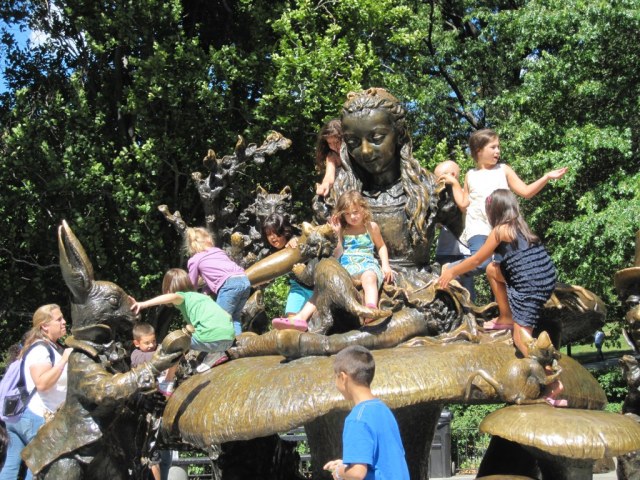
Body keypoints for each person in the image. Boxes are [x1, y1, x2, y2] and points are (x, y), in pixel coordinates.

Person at [439, 128, 567, 305]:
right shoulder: (471, 175)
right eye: (493, 147)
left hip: (503, 229)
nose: (497, 151)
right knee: (482, 263)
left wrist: (546, 177)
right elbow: (463, 203)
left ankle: (504, 311)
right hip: (478, 228)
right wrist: (454, 183)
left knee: (504, 270)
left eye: (498, 147)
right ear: (479, 151)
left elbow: (526, 192)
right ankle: (451, 268)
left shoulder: (503, 170)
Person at [437, 189, 557, 357]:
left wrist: (452, 271)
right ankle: (506, 317)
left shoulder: (500, 230)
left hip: (529, 285)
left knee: (520, 340)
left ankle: (546, 369)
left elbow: (477, 260)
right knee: (492, 269)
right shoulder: (521, 228)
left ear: (494, 212)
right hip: (546, 279)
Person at [0, 304, 71, 480]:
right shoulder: (40, 349)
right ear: (44, 326)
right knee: (39, 469)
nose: (64, 322)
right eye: (59, 319)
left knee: (11, 467)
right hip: (37, 416)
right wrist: (63, 361)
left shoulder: (51, 346)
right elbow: (42, 383)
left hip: (21, 416)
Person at [323, 345, 409, 480]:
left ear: (343, 377)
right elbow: (383, 462)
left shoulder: (357, 419)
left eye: (335, 377)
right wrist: (345, 465)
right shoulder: (383, 409)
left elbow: (357, 473)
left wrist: (339, 472)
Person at [131, 268, 235, 371]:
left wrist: (143, 304)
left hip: (214, 341)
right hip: (229, 340)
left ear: (168, 290)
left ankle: (168, 379)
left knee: (176, 344)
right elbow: (228, 316)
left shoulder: (182, 297)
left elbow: (172, 297)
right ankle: (216, 353)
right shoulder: (203, 297)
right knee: (194, 334)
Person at [331, 191, 393, 312]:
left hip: (367, 264)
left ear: (363, 209)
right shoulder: (342, 230)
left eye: (355, 212)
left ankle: (370, 308)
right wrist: (337, 234)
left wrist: (385, 265)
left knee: (370, 278)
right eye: (347, 214)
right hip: (346, 265)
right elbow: (337, 254)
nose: (352, 217)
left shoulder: (371, 227)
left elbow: (381, 246)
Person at [185, 227, 251, 336]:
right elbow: (215, 277)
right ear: (209, 239)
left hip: (229, 285)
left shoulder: (195, 259)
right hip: (244, 280)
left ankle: (219, 344)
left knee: (219, 320)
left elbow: (192, 284)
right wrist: (206, 292)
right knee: (234, 318)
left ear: (192, 246)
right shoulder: (219, 251)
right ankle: (238, 343)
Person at [130, 323, 172, 480]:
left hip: (163, 401)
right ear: (136, 343)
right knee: (151, 454)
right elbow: (152, 361)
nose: (151, 345)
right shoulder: (137, 355)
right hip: (147, 409)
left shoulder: (158, 351)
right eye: (146, 343)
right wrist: (167, 353)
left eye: (153, 341)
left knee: (166, 457)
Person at [262, 213, 315, 330]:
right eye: (268, 234)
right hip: (297, 287)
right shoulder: (272, 253)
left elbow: (301, 241)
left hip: (315, 287)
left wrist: (295, 239)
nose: (272, 237)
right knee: (291, 317)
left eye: (275, 232)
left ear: (284, 231)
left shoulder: (295, 241)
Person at [433, 160, 472, 293]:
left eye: (440, 178)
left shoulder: (465, 195)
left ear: (453, 175)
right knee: (445, 293)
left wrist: (454, 185)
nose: (437, 181)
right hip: (444, 253)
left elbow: (465, 210)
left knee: (467, 293)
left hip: (464, 253)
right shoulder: (439, 199)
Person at [315, 119, 343, 197]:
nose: (334, 146)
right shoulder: (332, 155)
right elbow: (329, 176)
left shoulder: (354, 151)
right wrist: (325, 185)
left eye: (337, 142)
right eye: (330, 143)